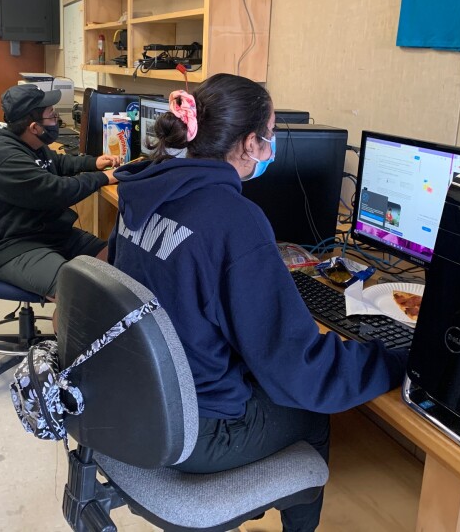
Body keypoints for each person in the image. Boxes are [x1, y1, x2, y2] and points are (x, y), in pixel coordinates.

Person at [108, 73, 407, 532]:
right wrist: (393, 358)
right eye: (268, 139)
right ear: (248, 144)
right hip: (198, 431)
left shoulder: (143, 191)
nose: (270, 151)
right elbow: (301, 372)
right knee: (313, 412)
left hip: (137, 402)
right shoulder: (233, 220)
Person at [0, 84, 120, 304]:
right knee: (78, 294)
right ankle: (66, 335)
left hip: (48, 233)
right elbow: (58, 191)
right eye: (52, 116)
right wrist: (106, 177)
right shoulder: (4, 156)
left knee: (118, 264)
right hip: (12, 247)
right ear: (34, 127)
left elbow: (55, 162)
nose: (56, 120)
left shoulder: (28, 143)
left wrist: (93, 162)